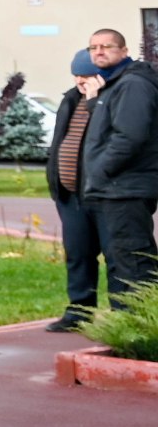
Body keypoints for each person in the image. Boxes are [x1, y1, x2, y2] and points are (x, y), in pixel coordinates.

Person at [78, 27, 158, 302]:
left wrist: (100, 171)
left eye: (107, 46)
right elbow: (108, 128)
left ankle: (139, 330)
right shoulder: (113, 84)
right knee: (121, 260)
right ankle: (126, 328)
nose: (99, 51)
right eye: (93, 47)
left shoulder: (133, 84)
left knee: (133, 263)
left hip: (126, 188)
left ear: (123, 51)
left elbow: (130, 136)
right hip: (114, 188)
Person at [44, 50, 107, 330]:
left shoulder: (110, 99)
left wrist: (96, 101)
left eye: (88, 75)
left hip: (102, 194)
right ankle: (79, 312)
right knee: (78, 253)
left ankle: (128, 314)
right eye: (77, 75)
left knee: (118, 258)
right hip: (70, 195)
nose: (82, 81)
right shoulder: (70, 99)